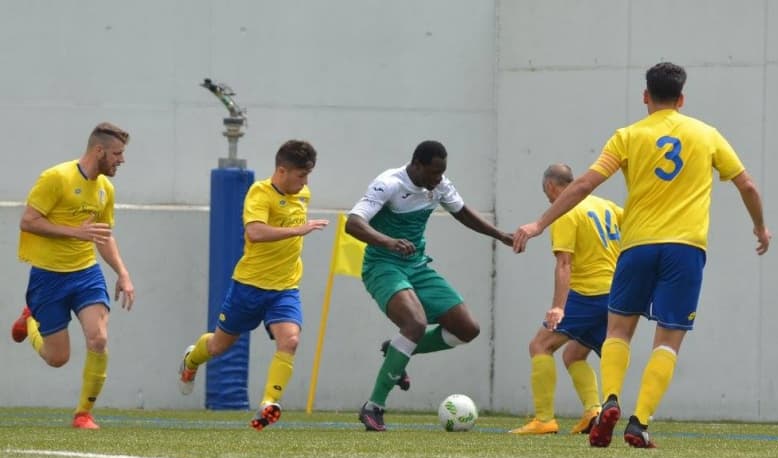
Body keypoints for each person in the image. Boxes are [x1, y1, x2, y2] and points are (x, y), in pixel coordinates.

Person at [513, 62, 771, 448]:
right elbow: (747, 184)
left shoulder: (628, 136)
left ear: (645, 96)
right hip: (685, 249)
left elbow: (584, 183)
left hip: (636, 247)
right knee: (668, 339)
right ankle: (640, 422)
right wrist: (760, 227)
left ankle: (609, 401)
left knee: (619, 331)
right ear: (682, 98)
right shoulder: (707, 135)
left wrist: (539, 224)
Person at [346, 140, 513, 432]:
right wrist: (388, 242)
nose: (438, 179)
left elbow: (462, 212)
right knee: (415, 323)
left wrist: (499, 235)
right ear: (417, 165)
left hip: (417, 266)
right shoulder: (388, 184)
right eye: (434, 173)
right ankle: (374, 407)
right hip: (383, 266)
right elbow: (353, 223)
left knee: (467, 328)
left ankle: (398, 352)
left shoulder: (439, 185)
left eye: (442, 173)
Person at [178, 139, 328, 430]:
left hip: (285, 287)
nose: (305, 182)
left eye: (308, 175)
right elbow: (255, 232)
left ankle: (268, 404)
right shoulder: (259, 193)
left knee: (291, 340)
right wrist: (298, 229)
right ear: (282, 171)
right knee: (219, 346)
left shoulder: (303, 193)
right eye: (301, 175)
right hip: (249, 285)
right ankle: (191, 360)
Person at [12, 122, 135, 429]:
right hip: (48, 276)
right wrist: (74, 232)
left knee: (98, 338)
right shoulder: (56, 178)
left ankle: (83, 414)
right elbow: (28, 221)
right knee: (58, 358)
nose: (121, 160)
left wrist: (122, 273)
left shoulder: (106, 189)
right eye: (117, 154)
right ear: (99, 151)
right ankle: (30, 319)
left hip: (85, 274)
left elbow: (103, 236)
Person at [509, 164, 622, 436]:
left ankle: (544, 419)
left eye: (546, 193)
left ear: (550, 186)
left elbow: (564, 263)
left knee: (540, 345)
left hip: (587, 295)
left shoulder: (564, 212)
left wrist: (558, 307)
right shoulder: (606, 206)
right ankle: (594, 410)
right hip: (615, 295)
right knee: (574, 354)